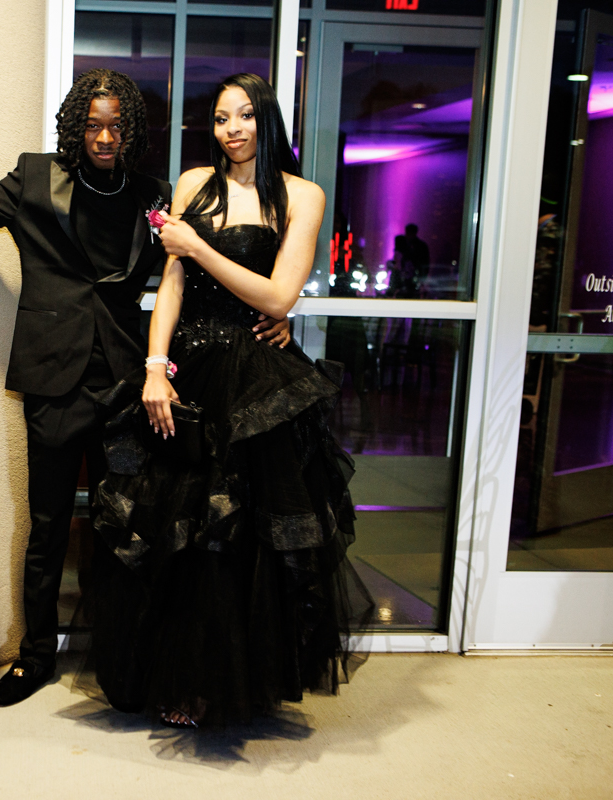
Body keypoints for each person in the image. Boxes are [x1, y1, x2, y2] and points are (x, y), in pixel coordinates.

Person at [0, 68, 294, 708]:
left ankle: (123, 658)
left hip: (131, 385)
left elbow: (199, 269)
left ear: (132, 132)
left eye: (116, 126)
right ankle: (36, 657)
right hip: (53, 382)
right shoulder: (35, 177)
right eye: (93, 125)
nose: (104, 137)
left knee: (128, 525)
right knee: (46, 527)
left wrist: (278, 312)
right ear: (77, 126)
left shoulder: (155, 195)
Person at [88, 73, 374, 728]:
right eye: (221, 118)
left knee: (238, 537)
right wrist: (155, 368)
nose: (232, 129)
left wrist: (195, 245)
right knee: (175, 528)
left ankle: (225, 682)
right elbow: (172, 285)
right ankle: (169, 673)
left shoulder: (302, 195)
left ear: (267, 119)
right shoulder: (194, 183)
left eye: (244, 115)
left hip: (253, 380)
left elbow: (278, 297)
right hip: (186, 369)